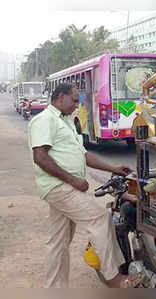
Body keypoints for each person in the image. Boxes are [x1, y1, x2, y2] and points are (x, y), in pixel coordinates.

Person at [28, 83, 131, 288]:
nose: (77, 105)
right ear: (60, 97)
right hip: (59, 187)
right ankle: (113, 277)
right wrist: (73, 180)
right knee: (100, 219)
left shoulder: (65, 121)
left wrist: (113, 167)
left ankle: (55, 289)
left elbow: (84, 155)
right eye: (74, 100)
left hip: (62, 186)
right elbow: (40, 157)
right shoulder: (44, 120)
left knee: (59, 242)